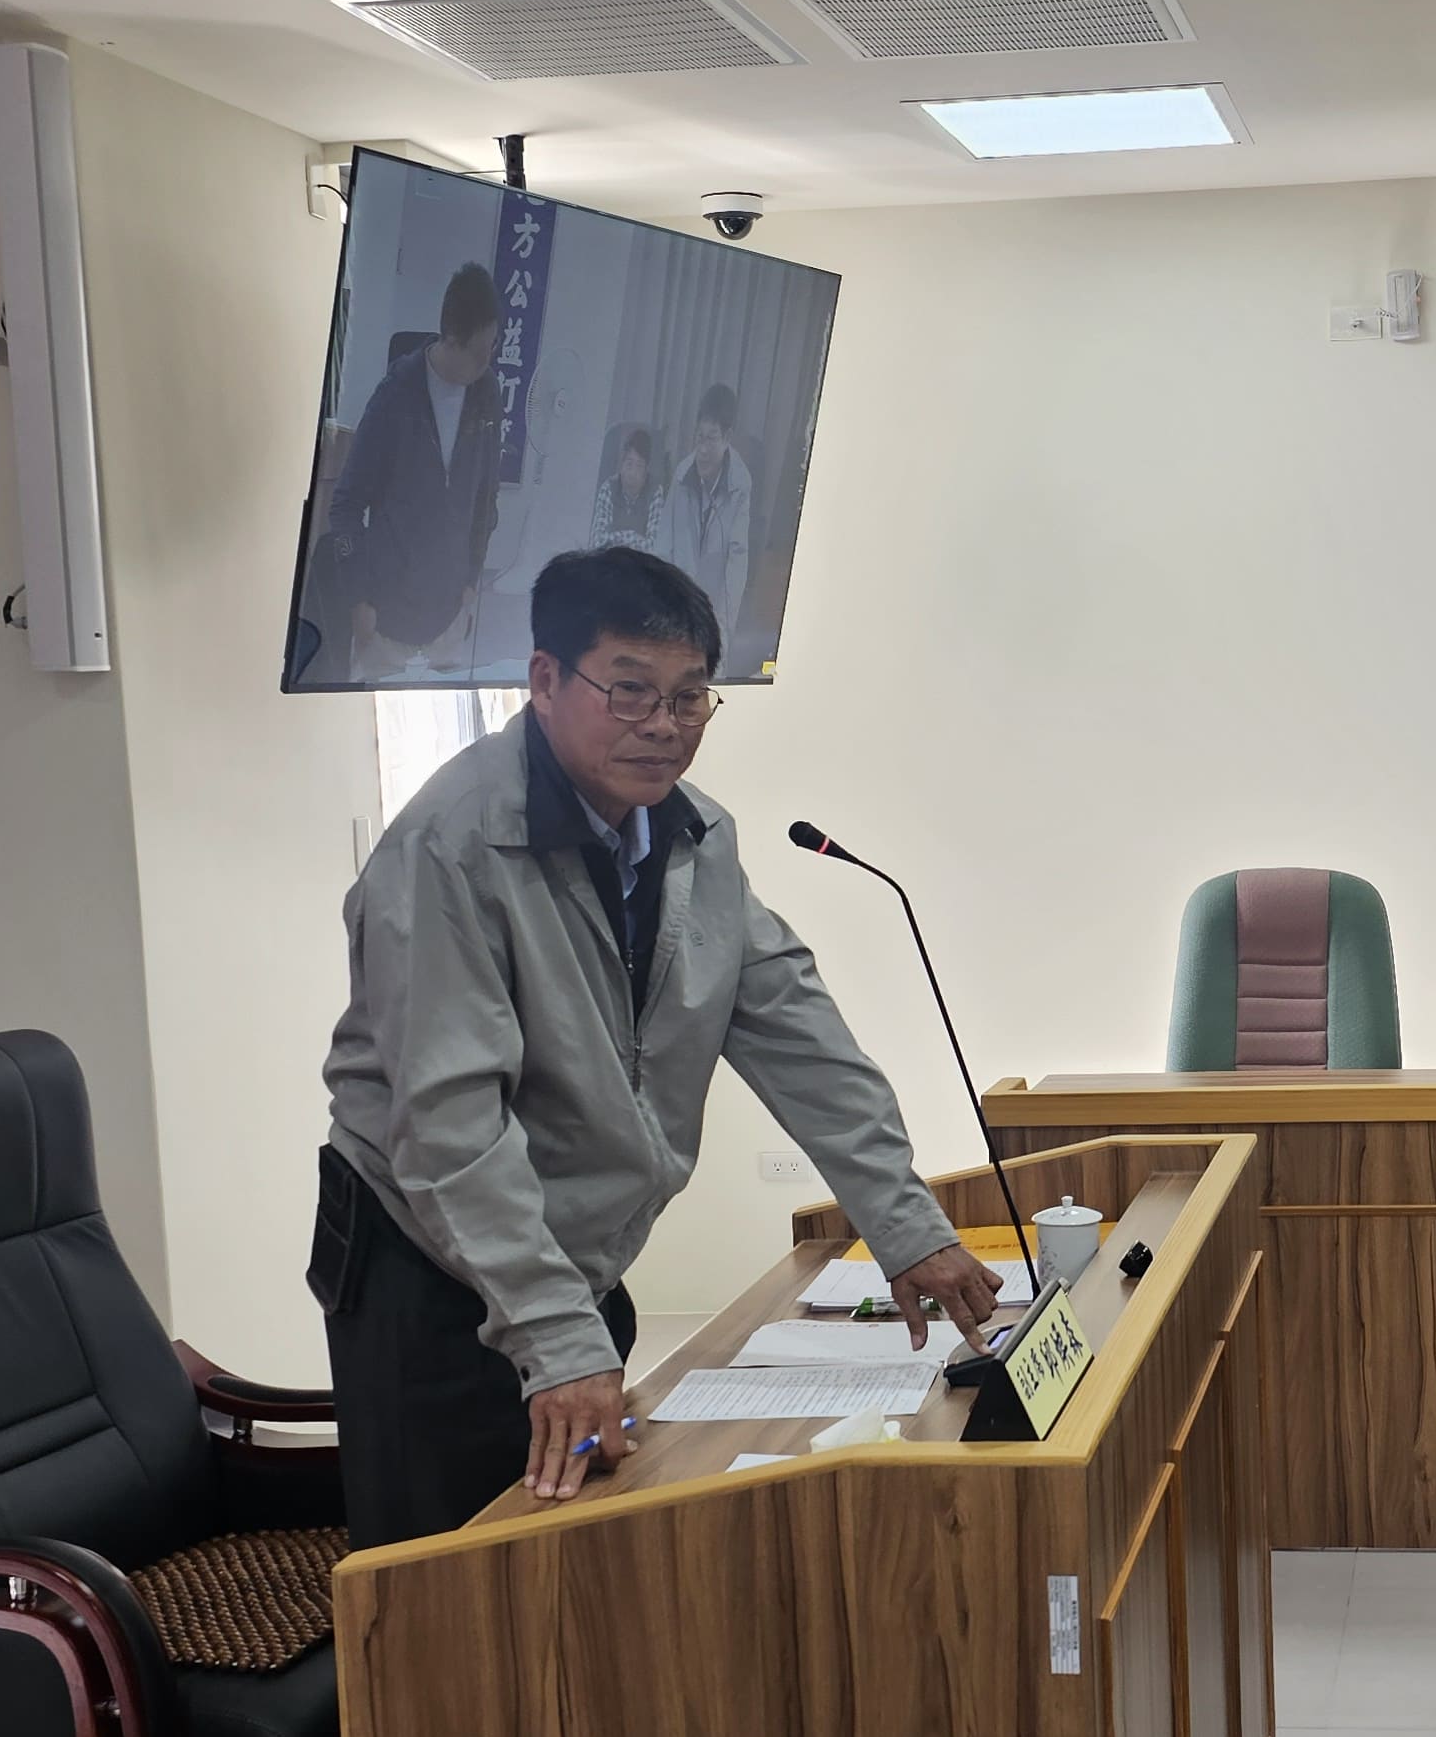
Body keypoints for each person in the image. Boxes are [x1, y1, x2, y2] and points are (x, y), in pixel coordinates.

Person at [314, 545, 1004, 1546]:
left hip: (576, 1257)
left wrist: (908, 1228)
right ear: (545, 680)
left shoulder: (693, 837)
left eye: (689, 698)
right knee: (448, 1577)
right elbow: (451, 1129)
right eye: (629, 690)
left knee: (578, 1556)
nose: (664, 726)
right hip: (428, 1269)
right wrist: (556, 1338)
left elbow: (798, 1034)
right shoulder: (447, 852)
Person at [308, 262, 504, 678]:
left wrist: (471, 580)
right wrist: (360, 599)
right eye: (480, 350)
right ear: (452, 338)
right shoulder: (396, 397)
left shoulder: (486, 393)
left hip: (450, 618)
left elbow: (486, 497)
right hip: (386, 622)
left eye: (494, 346)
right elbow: (345, 505)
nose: (488, 360)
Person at [656, 383, 755, 652]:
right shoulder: (682, 475)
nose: (702, 449)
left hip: (713, 609)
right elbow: (664, 545)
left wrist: (724, 627)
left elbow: (736, 561)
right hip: (676, 601)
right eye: (699, 437)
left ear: (727, 437)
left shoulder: (739, 485)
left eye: (711, 439)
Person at [591, 425, 663, 554]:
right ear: (621, 465)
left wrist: (617, 539)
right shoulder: (608, 488)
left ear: (646, 470)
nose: (633, 472)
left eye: (639, 466)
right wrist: (633, 537)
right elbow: (597, 543)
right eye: (629, 464)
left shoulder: (656, 492)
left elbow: (655, 547)